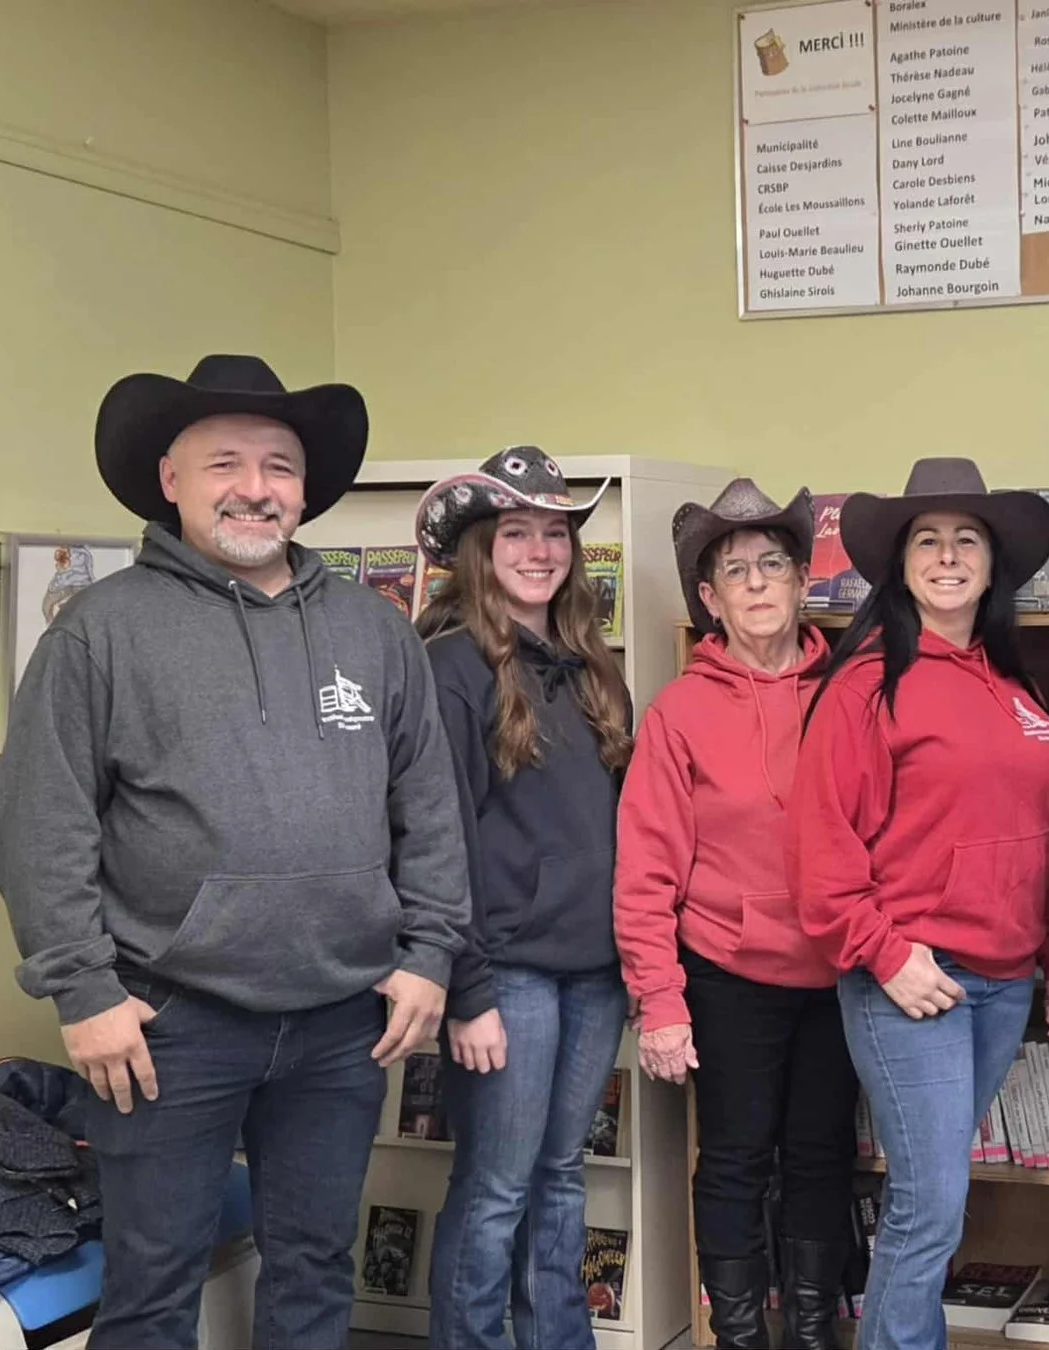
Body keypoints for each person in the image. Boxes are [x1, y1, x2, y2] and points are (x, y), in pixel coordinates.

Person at [0, 354, 468, 1350]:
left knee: (315, 1268)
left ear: (305, 487)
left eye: (278, 466)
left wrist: (429, 955)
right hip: (168, 1027)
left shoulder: (373, 631)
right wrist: (82, 989)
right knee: (153, 1288)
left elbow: (428, 806)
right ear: (171, 480)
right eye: (225, 464)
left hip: (342, 1022)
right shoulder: (101, 633)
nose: (255, 487)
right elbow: (39, 823)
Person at [788, 458, 1049, 1350]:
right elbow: (820, 849)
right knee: (929, 1207)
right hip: (913, 980)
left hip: (1003, 983)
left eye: (966, 541)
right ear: (901, 565)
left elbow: (1039, 835)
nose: (948, 556)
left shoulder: (1015, 686)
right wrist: (889, 956)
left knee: (936, 1199)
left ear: (994, 567)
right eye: (927, 540)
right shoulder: (866, 685)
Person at [615, 479, 856, 1350]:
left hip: (841, 974)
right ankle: (743, 1335)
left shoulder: (852, 691)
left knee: (823, 1157)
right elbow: (645, 868)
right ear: (710, 601)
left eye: (772, 565)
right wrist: (660, 999)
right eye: (734, 572)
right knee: (735, 1160)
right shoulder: (679, 712)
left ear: (803, 582)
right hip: (728, 974)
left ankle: (816, 1329)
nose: (756, 584)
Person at [410, 448, 637, 1350]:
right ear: (480, 549)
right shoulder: (450, 668)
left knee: (560, 1177)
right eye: (516, 533)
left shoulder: (592, 668)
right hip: (506, 974)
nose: (540, 551)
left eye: (554, 534)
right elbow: (438, 841)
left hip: (595, 969)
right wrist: (466, 991)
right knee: (497, 1186)